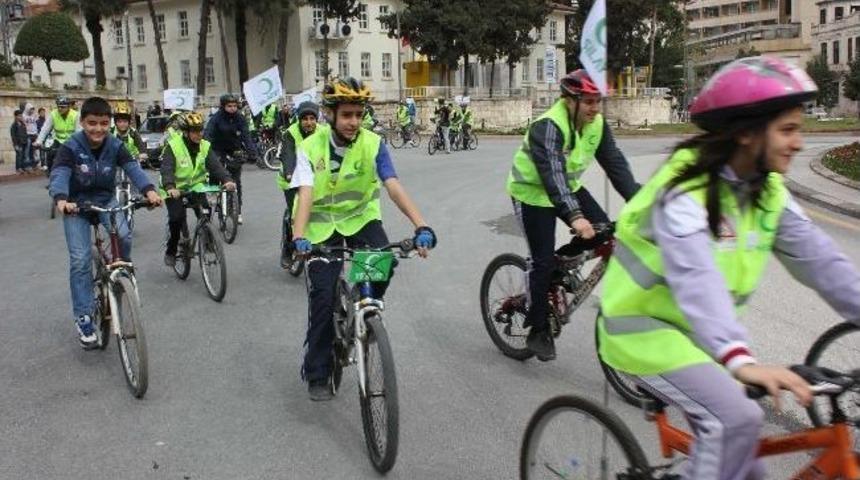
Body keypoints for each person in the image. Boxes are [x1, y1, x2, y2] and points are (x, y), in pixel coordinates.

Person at [597, 56, 860, 480]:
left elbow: (825, 263)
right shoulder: (684, 192)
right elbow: (697, 278)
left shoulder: (767, 191)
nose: (798, 143)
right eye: (787, 130)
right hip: (645, 332)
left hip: (702, 341)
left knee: (747, 466)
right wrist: (739, 358)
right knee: (736, 420)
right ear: (746, 133)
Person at [290, 77, 438, 401]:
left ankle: (364, 307)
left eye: (359, 114)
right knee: (323, 297)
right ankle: (318, 371)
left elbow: (393, 186)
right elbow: (305, 194)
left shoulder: (373, 143)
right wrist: (298, 237)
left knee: (384, 263)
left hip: (360, 218)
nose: (354, 122)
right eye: (346, 115)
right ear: (330, 114)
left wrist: (421, 226)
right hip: (320, 227)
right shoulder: (309, 147)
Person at [506, 69, 640, 361]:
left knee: (603, 233)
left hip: (568, 189)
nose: (595, 108)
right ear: (569, 100)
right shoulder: (548, 126)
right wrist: (575, 216)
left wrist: (641, 202)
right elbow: (553, 174)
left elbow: (616, 165)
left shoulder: (597, 125)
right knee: (541, 261)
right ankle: (538, 329)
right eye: (589, 102)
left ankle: (559, 266)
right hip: (531, 193)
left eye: (598, 101)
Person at [48, 97, 163, 348]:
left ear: (108, 123)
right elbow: (60, 173)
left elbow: (132, 168)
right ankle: (84, 317)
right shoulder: (70, 147)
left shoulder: (115, 145)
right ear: (82, 122)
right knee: (80, 261)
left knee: (124, 234)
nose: (98, 129)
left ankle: (122, 270)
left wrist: (149, 191)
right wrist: (61, 198)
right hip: (76, 206)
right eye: (92, 123)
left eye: (103, 123)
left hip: (105, 200)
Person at [160, 112, 236, 266]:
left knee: (205, 212)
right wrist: (170, 187)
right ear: (186, 132)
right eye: (194, 131)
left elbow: (216, 167)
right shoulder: (173, 146)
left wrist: (227, 180)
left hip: (196, 187)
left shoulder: (205, 146)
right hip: (175, 189)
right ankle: (171, 250)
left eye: (201, 130)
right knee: (176, 218)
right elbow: (167, 169)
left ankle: (208, 241)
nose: (199, 134)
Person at [276, 101, 325, 269]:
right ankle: (288, 249)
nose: (309, 122)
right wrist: (290, 173)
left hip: (315, 179)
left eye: (312, 118)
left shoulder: (323, 132)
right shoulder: (291, 133)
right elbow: (288, 154)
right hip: (291, 180)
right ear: (299, 119)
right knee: (295, 216)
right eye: (305, 119)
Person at [204, 93, 256, 225]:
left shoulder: (240, 118)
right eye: (229, 106)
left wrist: (252, 153)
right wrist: (205, 150)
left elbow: (246, 136)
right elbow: (208, 135)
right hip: (217, 149)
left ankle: (238, 212)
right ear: (223, 106)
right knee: (215, 170)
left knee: (235, 181)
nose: (232, 108)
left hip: (234, 150)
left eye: (234, 106)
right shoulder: (216, 118)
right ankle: (212, 194)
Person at [34, 96, 81, 172]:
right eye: (58, 106)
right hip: (58, 140)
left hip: (71, 141)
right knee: (50, 154)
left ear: (68, 107)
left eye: (62, 107)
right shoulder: (53, 114)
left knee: (76, 158)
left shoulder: (76, 115)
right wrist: (39, 141)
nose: (60, 109)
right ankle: (50, 173)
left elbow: (78, 131)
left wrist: (77, 144)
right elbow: (45, 129)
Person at [23, 104, 39, 169]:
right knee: (27, 150)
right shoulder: (24, 116)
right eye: (31, 109)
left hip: (34, 134)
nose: (32, 111)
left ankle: (34, 164)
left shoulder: (33, 116)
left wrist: (36, 133)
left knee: (34, 150)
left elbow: (35, 125)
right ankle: (27, 165)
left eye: (32, 109)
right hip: (27, 135)